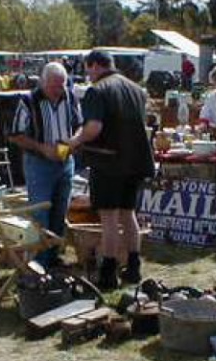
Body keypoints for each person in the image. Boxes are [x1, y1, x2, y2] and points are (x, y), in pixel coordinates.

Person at [66, 50, 154, 290]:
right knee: (128, 215)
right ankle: (134, 268)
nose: (88, 74)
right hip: (134, 161)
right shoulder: (136, 89)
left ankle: (108, 274)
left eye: (88, 69)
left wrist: (72, 143)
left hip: (108, 162)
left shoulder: (98, 89)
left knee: (109, 220)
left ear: (94, 65)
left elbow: (93, 128)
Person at [7, 63, 82, 268]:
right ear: (42, 83)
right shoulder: (29, 101)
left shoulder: (71, 98)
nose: (58, 91)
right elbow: (15, 135)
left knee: (60, 211)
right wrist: (43, 148)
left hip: (66, 163)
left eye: (62, 86)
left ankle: (53, 255)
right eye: (53, 87)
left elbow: (80, 126)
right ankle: (39, 261)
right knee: (41, 213)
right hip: (39, 164)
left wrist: (72, 142)